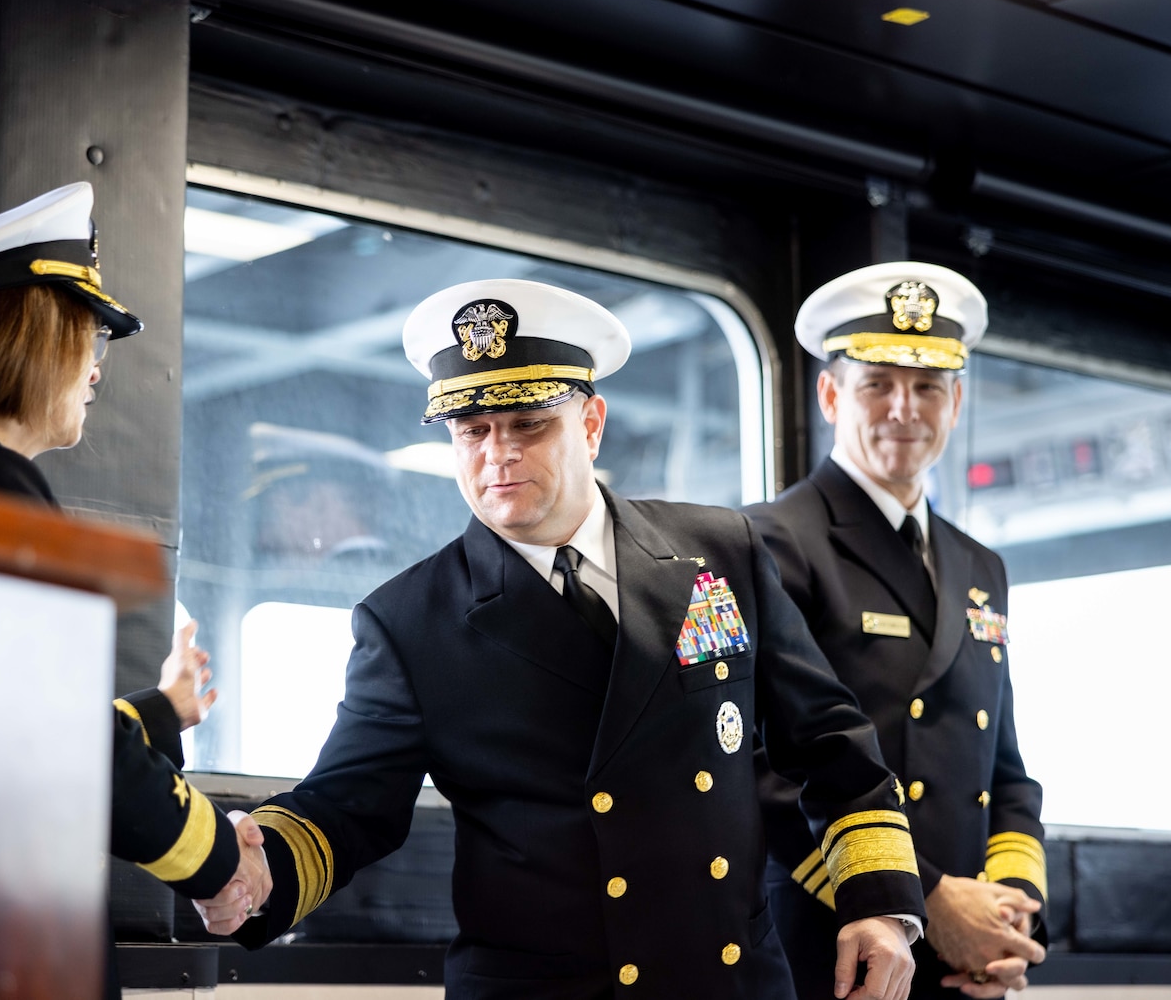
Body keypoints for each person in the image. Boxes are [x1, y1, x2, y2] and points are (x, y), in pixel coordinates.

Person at [194, 278, 926, 1000]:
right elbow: (347, 804)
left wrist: (880, 903)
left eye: (528, 424)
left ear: (591, 423)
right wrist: (255, 872)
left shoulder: (720, 550)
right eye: (472, 430)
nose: (497, 454)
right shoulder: (410, 621)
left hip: (729, 980)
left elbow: (829, 742)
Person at [0, 183, 269, 987]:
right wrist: (220, 857)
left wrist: (162, 711)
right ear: (28, 340)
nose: (95, 368)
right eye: (87, 336)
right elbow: (67, 745)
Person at [742, 263, 1048, 999]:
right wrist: (924, 901)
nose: (904, 408)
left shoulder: (980, 565)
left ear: (956, 401)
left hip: (967, 959)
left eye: (928, 386)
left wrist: (1009, 914)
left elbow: (1002, 767)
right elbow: (759, 765)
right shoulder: (769, 541)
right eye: (877, 383)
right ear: (830, 395)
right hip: (838, 945)